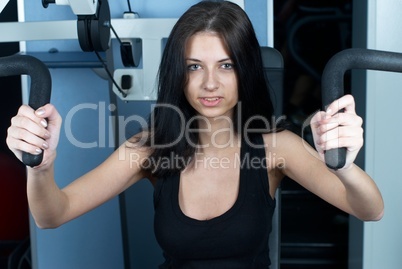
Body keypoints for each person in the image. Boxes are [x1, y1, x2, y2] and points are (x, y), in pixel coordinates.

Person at [6, 1, 383, 268]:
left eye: (226, 65)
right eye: (193, 67)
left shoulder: (275, 148)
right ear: (178, 74)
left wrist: (345, 167)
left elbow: (370, 210)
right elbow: (52, 215)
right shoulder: (150, 148)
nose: (209, 83)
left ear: (246, 71)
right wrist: (41, 168)